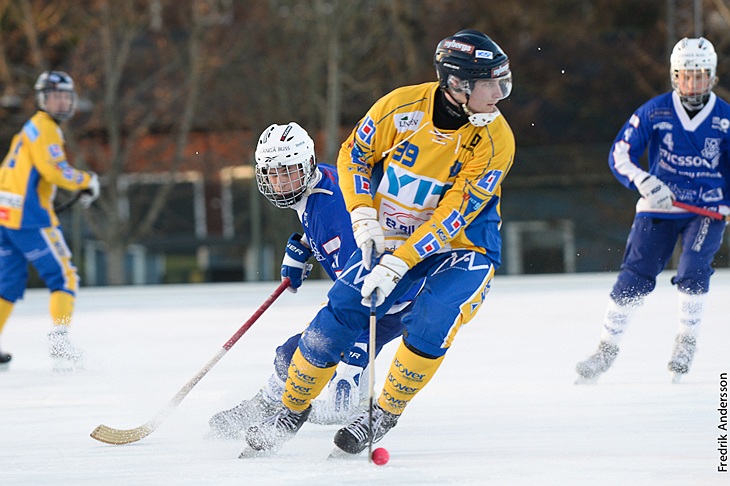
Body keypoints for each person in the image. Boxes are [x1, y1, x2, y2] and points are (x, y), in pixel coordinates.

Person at [242, 29, 515, 456]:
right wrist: (362, 214)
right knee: (338, 313)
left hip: (462, 248)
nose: (499, 94)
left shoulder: (496, 141)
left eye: (503, 82)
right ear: (457, 84)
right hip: (392, 234)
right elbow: (354, 154)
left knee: (433, 317)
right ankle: (290, 411)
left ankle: (382, 413)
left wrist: (399, 261)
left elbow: (452, 216)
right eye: (490, 84)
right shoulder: (401, 108)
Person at [208, 122, 419, 438]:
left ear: (307, 164)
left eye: (288, 172)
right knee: (299, 355)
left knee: (301, 353)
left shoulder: (331, 212)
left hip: (389, 303)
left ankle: (281, 410)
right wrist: (303, 246)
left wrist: (357, 344)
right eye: (272, 174)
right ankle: (284, 406)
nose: (280, 182)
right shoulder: (320, 183)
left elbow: (363, 284)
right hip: (379, 295)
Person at [575, 37, 730, 384]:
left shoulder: (725, 118)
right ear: (675, 76)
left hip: (706, 207)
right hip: (660, 203)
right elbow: (621, 152)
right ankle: (606, 348)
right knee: (636, 274)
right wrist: (644, 182)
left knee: (693, 268)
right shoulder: (656, 110)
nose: (693, 84)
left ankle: (686, 341)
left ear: (712, 76)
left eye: (700, 76)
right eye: (686, 76)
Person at [0, 71, 99, 371]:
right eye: (54, 96)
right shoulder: (46, 128)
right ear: (42, 99)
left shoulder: (30, 127)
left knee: (8, 283)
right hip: (29, 218)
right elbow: (54, 170)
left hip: (5, 214)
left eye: (65, 96)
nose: (61, 102)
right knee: (64, 276)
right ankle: (60, 342)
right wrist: (86, 180)